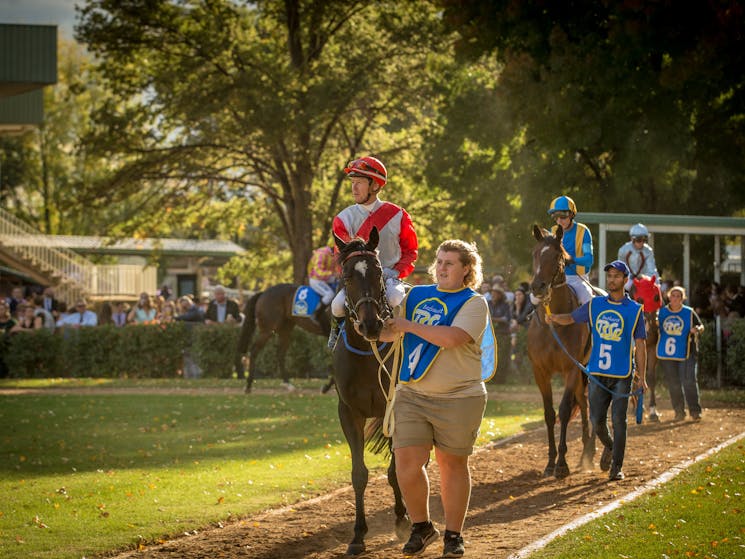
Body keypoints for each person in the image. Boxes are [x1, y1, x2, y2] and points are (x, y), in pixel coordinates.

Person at [379, 239, 494, 558]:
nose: (441, 267)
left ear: (467, 269)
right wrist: (369, 325)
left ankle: (453, 535)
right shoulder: (415, 295)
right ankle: (421, 527)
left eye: (450, 263)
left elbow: (453, 338)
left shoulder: (474, 303)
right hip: (412, 393)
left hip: (460, 397)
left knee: (452, 465)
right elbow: (389, 332)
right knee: (406, 462)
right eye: (439, 261)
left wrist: (407, 325)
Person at [546, 260, 647, 481]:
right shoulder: (595, 305)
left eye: (617, 276)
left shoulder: (635, 311)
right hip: (597, 373)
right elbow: (572, 318)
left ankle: (616, 467)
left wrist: (643, 377)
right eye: (609, 276)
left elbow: (640, 345)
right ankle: (610, 447)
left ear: (625, 280)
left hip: (622, 374)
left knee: (619, 421)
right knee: (596, 421)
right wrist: (554, 318)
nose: (612, 280)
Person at [328, 156, 418, 348]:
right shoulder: (343, 219)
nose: (354, 188)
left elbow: (410, 251)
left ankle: (410, 342)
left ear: (375, 185)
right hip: (360, 278)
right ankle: (335, 333)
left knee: (396, 298)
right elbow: (341, 255)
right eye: (353, 183)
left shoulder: (398, 215)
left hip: (390, 277)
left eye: (359, 183)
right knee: (336, 305)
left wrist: (395, 272)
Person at [656, 286, 705, 421]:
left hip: (687, 352)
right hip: (668, 354)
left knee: (689, 381)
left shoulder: (689, 312)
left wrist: (697, 329)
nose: (676, 298)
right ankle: (679, 411)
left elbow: (701, 326)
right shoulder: (662, 313)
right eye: (673, 295)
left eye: (679, 296)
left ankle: (695, 410)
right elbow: (656, 327)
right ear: (669, 297)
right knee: (673, 383)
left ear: (683, 298)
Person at [547, 195, 595, 305]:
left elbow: (589, 260)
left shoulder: (583, 231)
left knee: (588, 301)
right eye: (556, 217)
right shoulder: (552, 231)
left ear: (571, 214)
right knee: (534, 297)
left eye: (563, 216)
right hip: (556, 279)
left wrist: (572, 260)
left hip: (578, 280)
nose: (559, 221)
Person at [617, 223, 659, 290]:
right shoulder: (623, 250)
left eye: (644, 240)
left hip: (644, 279)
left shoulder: (648, 251)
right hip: (627, 279)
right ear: (632, 239)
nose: (641, 242)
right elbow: (620, 268)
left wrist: (656, 283)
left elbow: (652, 269)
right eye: (639, 240)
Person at [307, 245, 337, 322]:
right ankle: (316, 313)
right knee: (330, 294)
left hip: (325, 278)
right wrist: (333, 275)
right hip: (315, 279)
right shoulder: (322, 253)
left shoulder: (334, 254)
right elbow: (318, 272)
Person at [488, 285, 512, 383]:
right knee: (489, 357)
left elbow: (506, 319)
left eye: (496, 293)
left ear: (500, 295)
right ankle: (489, 378)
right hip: (490, 336)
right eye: (492, 292)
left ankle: (500, 380)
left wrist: (493, 319)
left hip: (503, 335)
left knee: (502, 358)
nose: (493, 294)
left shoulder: (505, 305)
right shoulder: (487, 303)